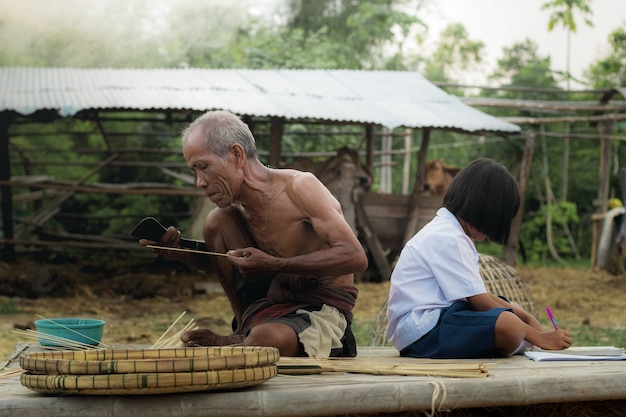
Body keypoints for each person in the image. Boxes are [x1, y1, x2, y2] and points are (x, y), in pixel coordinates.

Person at [140, 110, 368, 358]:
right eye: (194, 171)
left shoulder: (299, 187)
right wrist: (180, 251)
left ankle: (244, 342)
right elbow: (224, 259)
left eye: (203, 167)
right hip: (268, 310)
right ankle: (241, 333)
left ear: (236, 154)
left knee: (264, 339)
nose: (200, 182)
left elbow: (356, 257)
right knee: (217, 220)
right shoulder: (234, 212)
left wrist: (275, 265)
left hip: (320, 312)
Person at [386, 158, 572, 359]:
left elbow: (478, 294)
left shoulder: (452, 232)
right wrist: (538, 337)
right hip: (422, 331)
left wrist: (524, 316)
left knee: (512, 313)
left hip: (438, 320)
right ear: (485, 212)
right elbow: (480, 302)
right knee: (510, 326)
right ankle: (513, 340)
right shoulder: (448, 237)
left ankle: (512, 339)